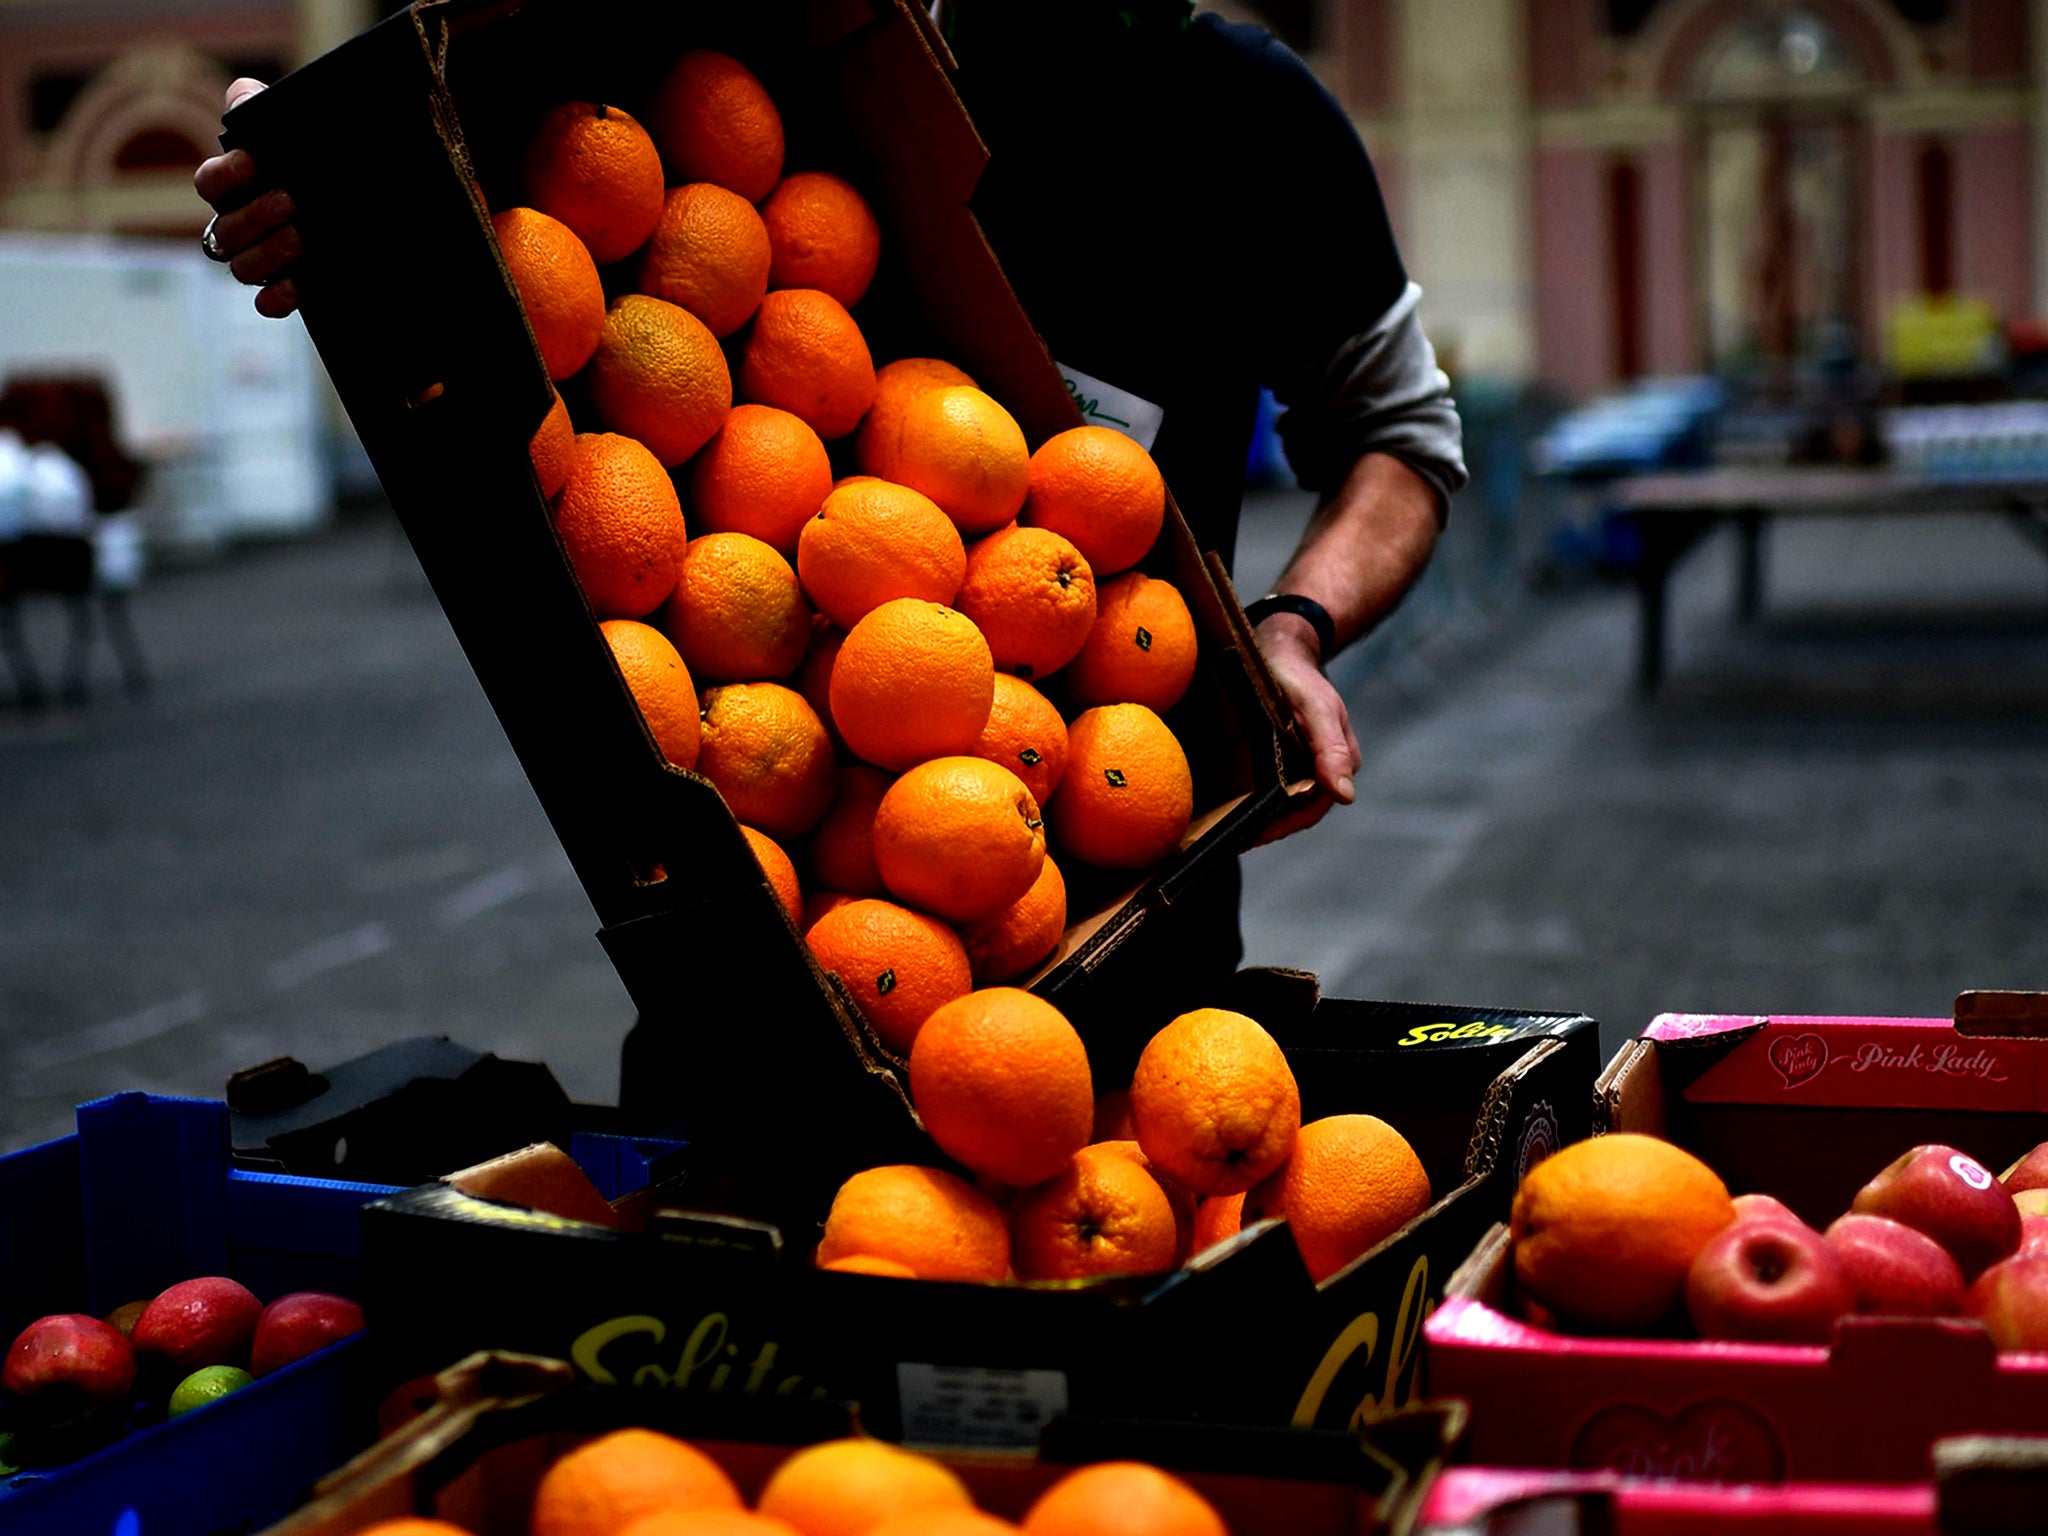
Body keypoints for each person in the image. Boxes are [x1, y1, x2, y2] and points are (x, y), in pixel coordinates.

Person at [193, 2, 1463, 1050]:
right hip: (758, 900)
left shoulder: (1241, 107)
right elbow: (542, 249)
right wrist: (357, 212)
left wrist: (1289, 632)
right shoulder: (773, 45)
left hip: (1131, 874)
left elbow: (1400, 434)